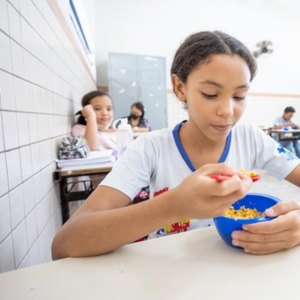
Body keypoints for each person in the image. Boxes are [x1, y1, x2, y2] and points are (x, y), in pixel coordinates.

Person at [52, 30, 300, 260]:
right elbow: (65, 245)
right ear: (181, 88)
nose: (227, 111)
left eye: (239, 96)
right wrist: (174, 205)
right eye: (211, 94)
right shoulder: (150, 148)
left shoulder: (251, 138)